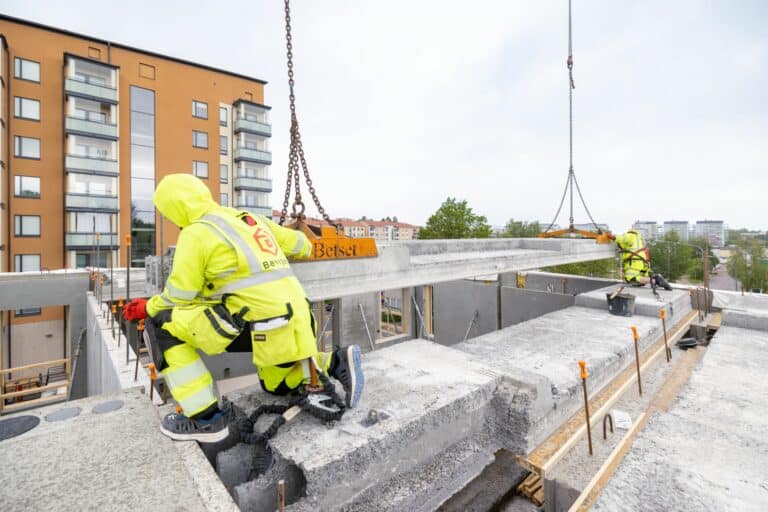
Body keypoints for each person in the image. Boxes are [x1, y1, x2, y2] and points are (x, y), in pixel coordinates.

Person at [122, 174, 364, 443]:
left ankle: (204, 419)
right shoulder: (250, 220)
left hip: (263, 325)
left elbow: (179, 297)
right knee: (275, 386)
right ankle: (334, 361)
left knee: (161, 323)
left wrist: (148, 306)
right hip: (298, 322)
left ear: (176, 207)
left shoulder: (196, 233)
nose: (171, 220)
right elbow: (303, 245)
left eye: (168, 214)